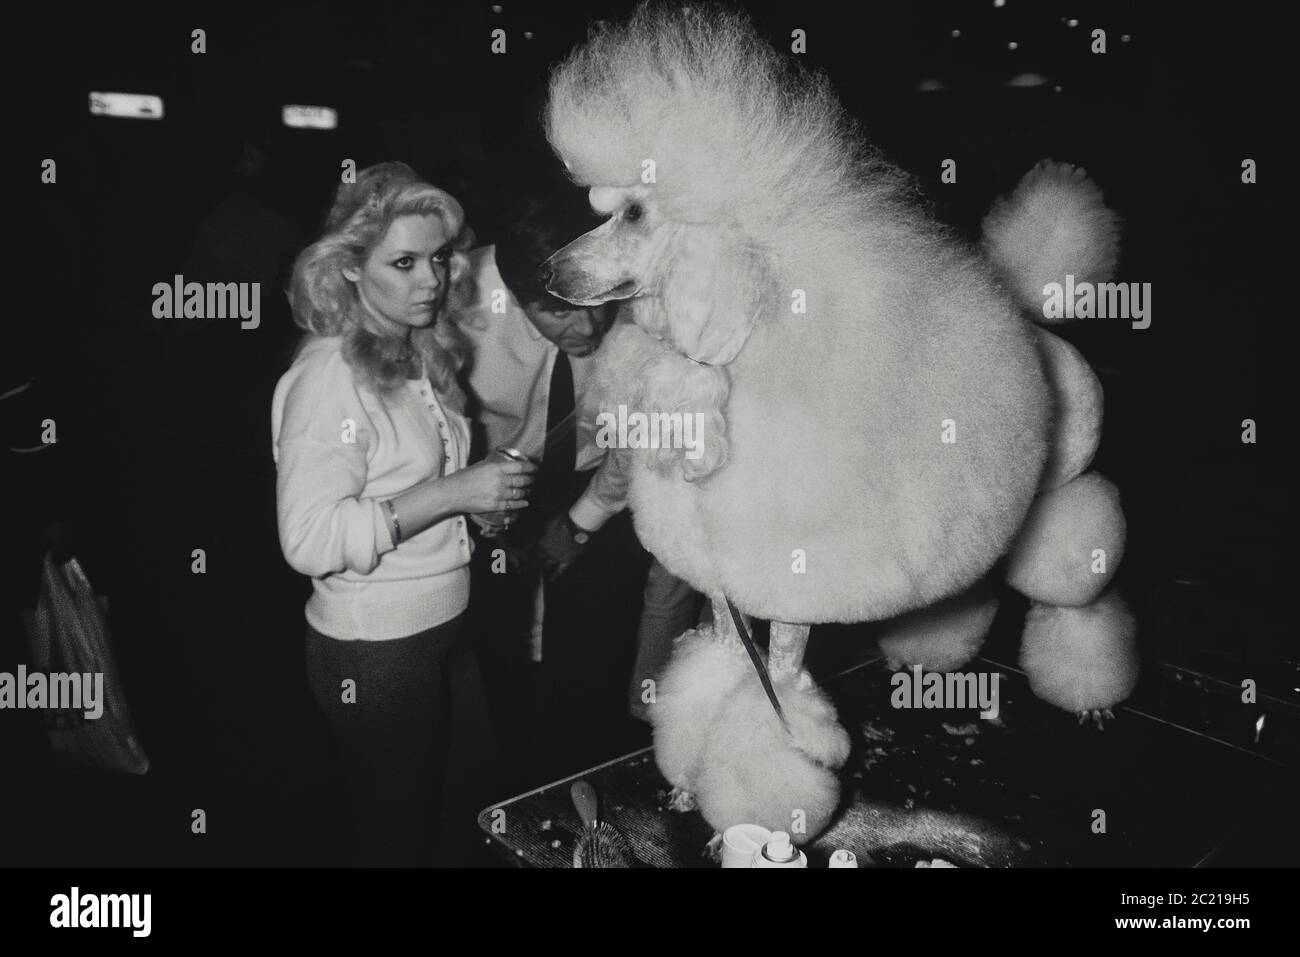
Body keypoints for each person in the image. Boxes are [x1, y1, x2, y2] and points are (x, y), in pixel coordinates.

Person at [271, 161, 536, 866]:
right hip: (376, 649)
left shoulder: (416, 348)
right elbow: (308, 537)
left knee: (468, 812)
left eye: (440, 258)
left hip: (443, 628)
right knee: (397, 836)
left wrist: (481, 509)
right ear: (352, 268)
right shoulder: (329, 374)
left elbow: (422, 489)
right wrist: (453, 494)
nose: (432, 279)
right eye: (405, 262)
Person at [454, 190, 659, 787]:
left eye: (595, 304)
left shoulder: (640, 289)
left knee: (596, 646)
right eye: (559, 312)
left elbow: (638, 434)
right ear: (518, 298)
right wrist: (482, 513)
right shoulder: (458, 300)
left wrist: (580, 521)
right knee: (502, 646)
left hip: (603, 480)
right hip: (486, 479)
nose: (589, 325)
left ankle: (597, 781)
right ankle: (519, 785)